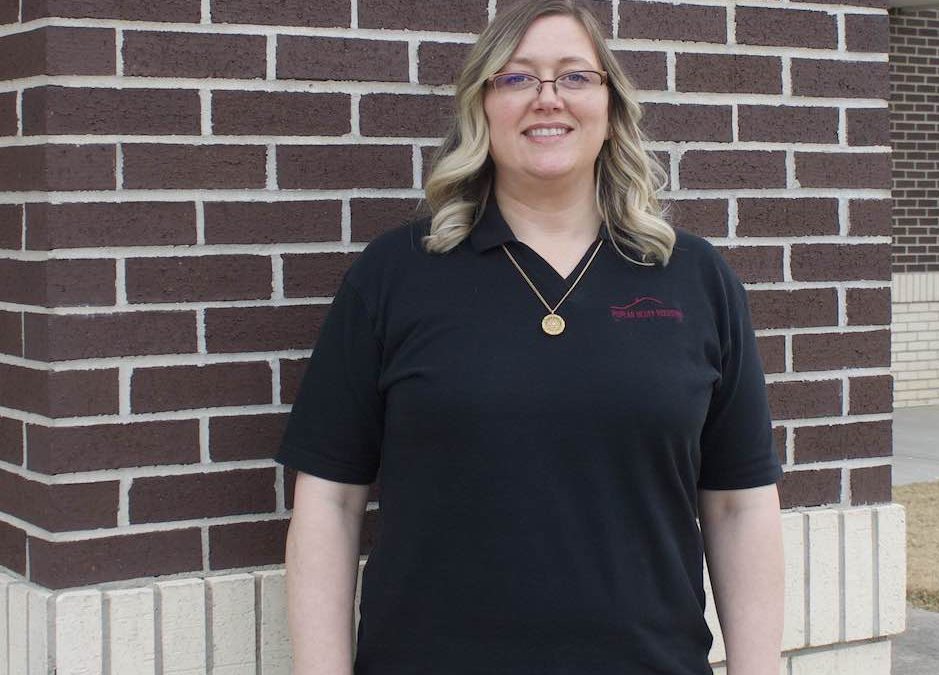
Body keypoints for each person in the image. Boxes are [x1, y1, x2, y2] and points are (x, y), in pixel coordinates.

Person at [276, 1, 785, 673]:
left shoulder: (693, 277)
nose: (549, 98)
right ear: (482, 106)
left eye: (575, 76)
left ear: (611, 106)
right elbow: (331, 501)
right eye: (517, 78)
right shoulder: (396, 274)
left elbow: (739, 505)